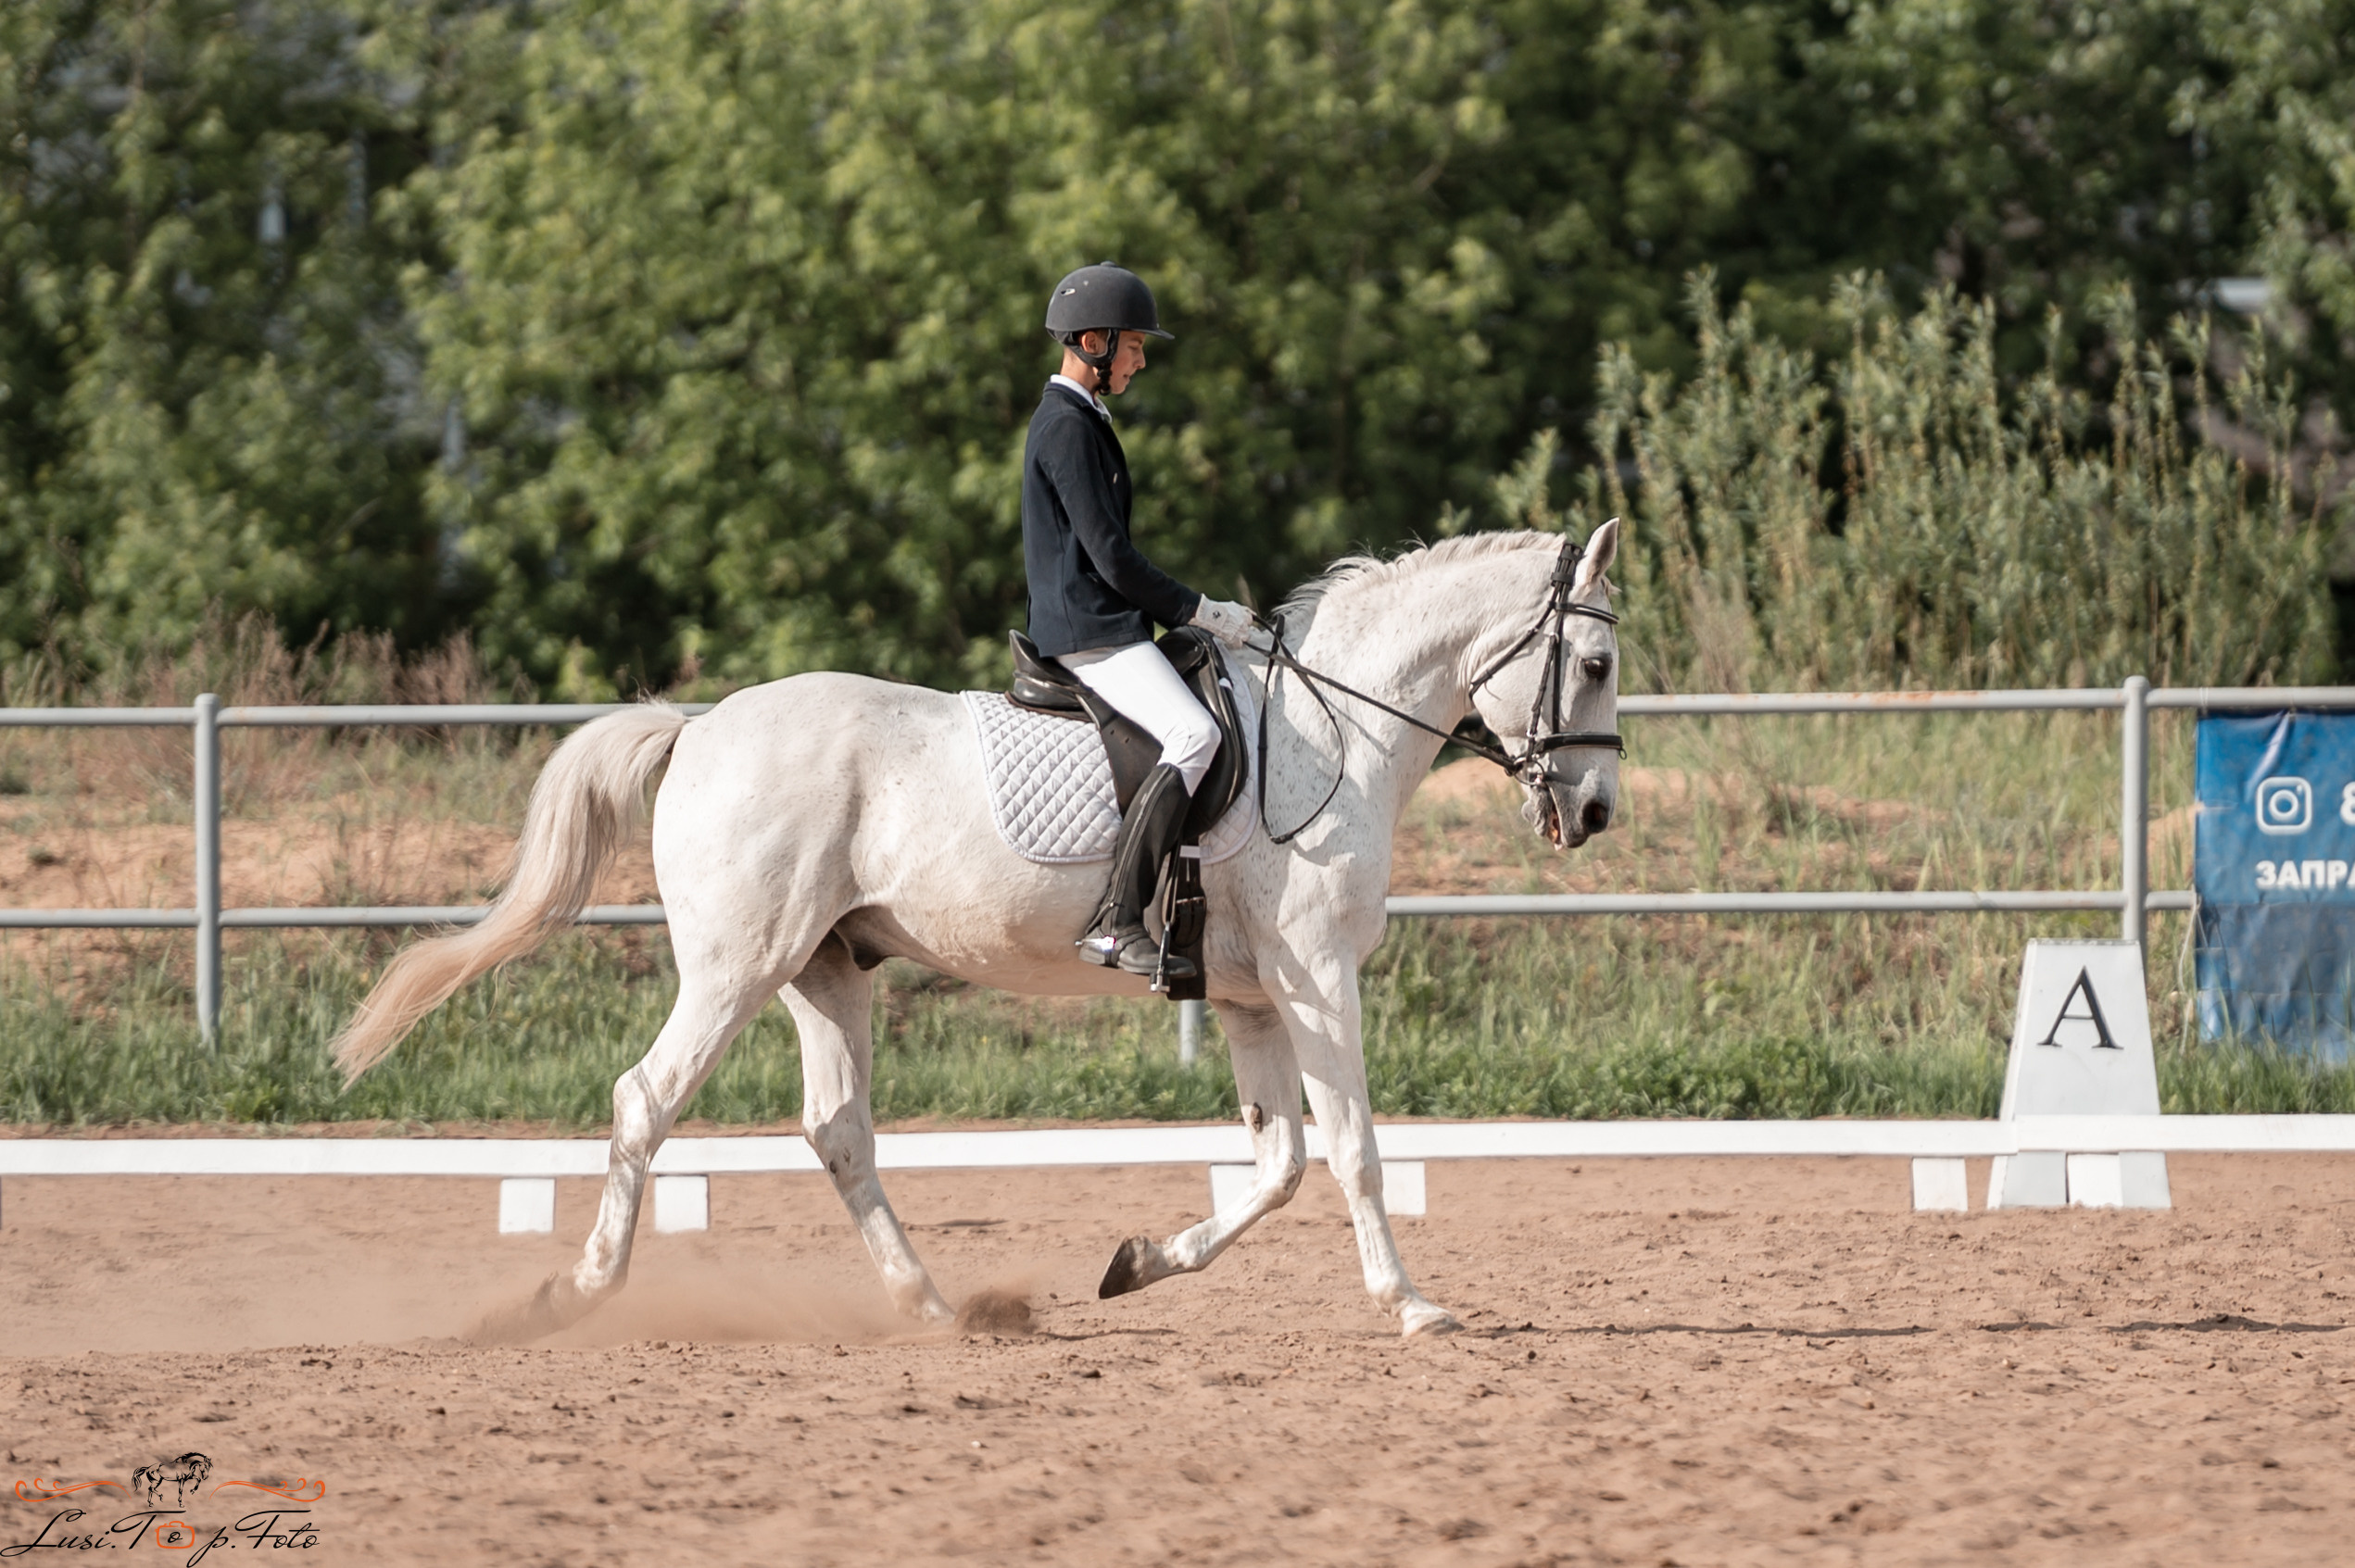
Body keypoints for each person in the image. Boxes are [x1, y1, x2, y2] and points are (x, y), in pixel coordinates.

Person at [1021, 262, 1254, 979]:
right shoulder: (1065, 426)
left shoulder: (1083, 418)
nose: (1141, 358)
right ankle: (1119, 921)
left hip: (1103, 622)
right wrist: (1201, 609)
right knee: (1195, 733)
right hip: (1089, 629)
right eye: (1133, 345)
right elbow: (1114, 560)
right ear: (1093, 340)